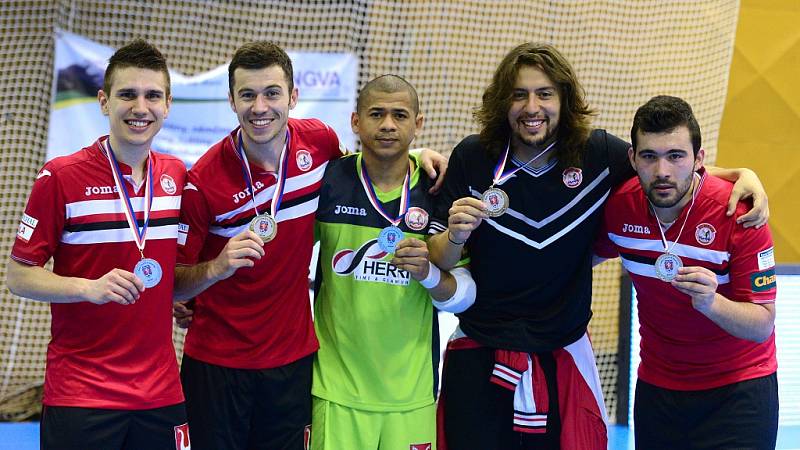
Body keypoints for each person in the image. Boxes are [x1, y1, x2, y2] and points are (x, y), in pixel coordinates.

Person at [427, 42, 769, 450]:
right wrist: (453, 232)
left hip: (567, 354)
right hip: (481, 347)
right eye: (519, 94)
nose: (532, 106)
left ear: (564, 100)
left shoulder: (597, 154)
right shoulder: (473, 156)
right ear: (504, 101)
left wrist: (741, 172)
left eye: (545, 94)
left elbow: (664, 170)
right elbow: (438, 258)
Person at [172, 42, 447, 450]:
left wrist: (418, 154)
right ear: (231, 100)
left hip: (292, 363)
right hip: (216, 365)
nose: (260, 107)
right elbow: (173, 284)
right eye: (247, 95)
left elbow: (370, 165)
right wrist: (215, 268)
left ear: (293, 97)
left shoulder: (318, 145)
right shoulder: (205, 178)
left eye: (272, 93)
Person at [6, 40, 190, 449]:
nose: (140, 107)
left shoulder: (177, 177)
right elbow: (18, 276)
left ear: (167, 104)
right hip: (82, 393)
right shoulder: (61, 177)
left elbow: (172, 273)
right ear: (104, 101)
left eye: (152, 95)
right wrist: (88, 287)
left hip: (161, 393)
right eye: (127, 94)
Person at [594, 95, 777, 449]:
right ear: (632, 159)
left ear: (699, 159)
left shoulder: (740, 214)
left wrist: (711, 303)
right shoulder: (619, 209)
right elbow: (569, 261)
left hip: (739, 393)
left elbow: (762, 324)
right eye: (649, 156)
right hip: (659, 393)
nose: (662, 171)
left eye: (676, 156)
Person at [312, 74, 475, 450]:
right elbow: (284, 256)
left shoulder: (436, 186)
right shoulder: (330, 181)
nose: (387, 125)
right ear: (356, 122)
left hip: (411, 395)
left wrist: (444, 250)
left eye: (400, 115)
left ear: (418, 124)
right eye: (376, 114)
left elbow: (455, 279)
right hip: (335, 392)